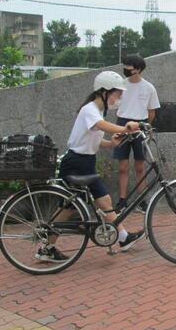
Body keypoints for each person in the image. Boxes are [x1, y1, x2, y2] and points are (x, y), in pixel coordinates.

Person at [42, 71, 146, 262]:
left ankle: (123, 237)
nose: (118, 99)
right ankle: (46, 247)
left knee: (104, 200)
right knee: (68, 207)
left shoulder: (97, 111)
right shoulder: (90, 109)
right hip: (76, 163)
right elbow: (102, 125)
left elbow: (94, 140)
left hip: (86, 161)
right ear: (104, 92)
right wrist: (126, 128)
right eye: (117, 94)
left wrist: (112, 143)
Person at [114, 54, 160, 214]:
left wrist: (144, 125)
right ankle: (122, 200)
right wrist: (118, 127)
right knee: (123, 166)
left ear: (138, 69)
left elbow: (152, 112)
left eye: (129, 66)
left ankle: (142, 200)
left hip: (140, 126)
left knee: (140, 166)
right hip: (123, 125)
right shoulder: (120, 85)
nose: (126, 69)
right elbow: (116, 109)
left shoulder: (149, 88)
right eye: (125, 65)